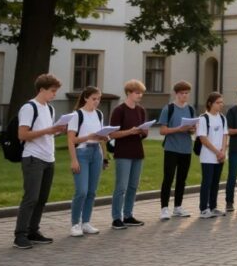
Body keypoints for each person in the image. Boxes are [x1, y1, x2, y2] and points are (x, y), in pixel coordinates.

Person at [13, 74, 68, 249]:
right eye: (52, 91)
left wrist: (58, 131)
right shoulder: (29, 108)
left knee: (42, 198)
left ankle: (33, 230)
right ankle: (20, 235)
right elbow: (22, 135)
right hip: (33, 158)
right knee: (31, 197)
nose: (54, 95)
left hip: (48, 158)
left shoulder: (49, 109)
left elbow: (47, 131)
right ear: (42, 89)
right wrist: (49, 130)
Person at [66, 86, 112, 237]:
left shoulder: (99, 114)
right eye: (94, 99)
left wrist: (105, 154)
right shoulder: (76, 115)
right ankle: (75, 224)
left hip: (96, 153)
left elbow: (100, 138)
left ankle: (86, 222)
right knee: (82, 191)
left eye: (99, 99)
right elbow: (72, 140)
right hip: (82, 153)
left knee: (92, 191)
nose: (97, 102)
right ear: (86, 98)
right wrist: (74, 160)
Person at [110, 79, 149, 229]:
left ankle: (128, 215)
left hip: (137, 152)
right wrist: (130, 131)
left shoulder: (141, 110)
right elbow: (112, 134)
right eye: (137, 93)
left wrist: (143, 132)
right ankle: (116, 218)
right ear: (128, 93)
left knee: (133, 186)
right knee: (121, 187)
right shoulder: (119, 110)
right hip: (123, 153)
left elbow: (142, 133)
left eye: (141, 93)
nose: (140, 95)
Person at [158, 80, 197, 220]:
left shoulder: (191, 109)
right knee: (168, 178)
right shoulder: (168, 109)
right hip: (171, 148)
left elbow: (193, 130)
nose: (184, 96)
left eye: (187, 93)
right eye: (182, 93)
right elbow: (162, 130)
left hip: (186, 149)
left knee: (182, 179)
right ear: (176, 94)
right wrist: (178, 129)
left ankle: (178, 207)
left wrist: (192, 129)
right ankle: (164, 208)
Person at [197, 92, 229, 219]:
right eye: (218, 102)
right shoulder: (203, 118)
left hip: (220, 156)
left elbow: (225, 135)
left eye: (222, 102)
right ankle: (204, 209)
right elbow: (203, 139)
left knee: (216, 182)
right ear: (210, 103)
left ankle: (213, 207)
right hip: (208, 156)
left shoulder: (222, 118)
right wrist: (217, 152)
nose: (221, 105)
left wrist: (223, 152)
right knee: (207, 182)